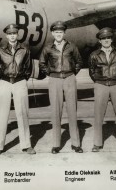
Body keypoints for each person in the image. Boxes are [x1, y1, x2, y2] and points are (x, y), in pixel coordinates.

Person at [39, 21, 83, 154]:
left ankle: (76, 143)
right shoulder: (48, 48)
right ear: (53, 33)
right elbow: (42, 63)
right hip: (54, 79)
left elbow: (79, 61)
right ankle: (56, 144)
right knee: (55, 111)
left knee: (72, 111)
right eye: (56, 32)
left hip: (69, 78)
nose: (58, 34)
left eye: (61, 32)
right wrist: (50, 73)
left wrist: (72, 72)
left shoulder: (72, 47)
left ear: (64, 33)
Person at [0, 24, 36, 156]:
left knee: (22, 114)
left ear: (17, 35)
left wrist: (22, 79)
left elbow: (29, 68)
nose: (12, 36)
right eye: (10, 34)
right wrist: (4, 77)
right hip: (5, 83)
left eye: (14, 33)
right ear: (6, 35)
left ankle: (26, 145)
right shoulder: (0, 50)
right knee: (3, 115)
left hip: (20, 82)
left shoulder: (25, 50)